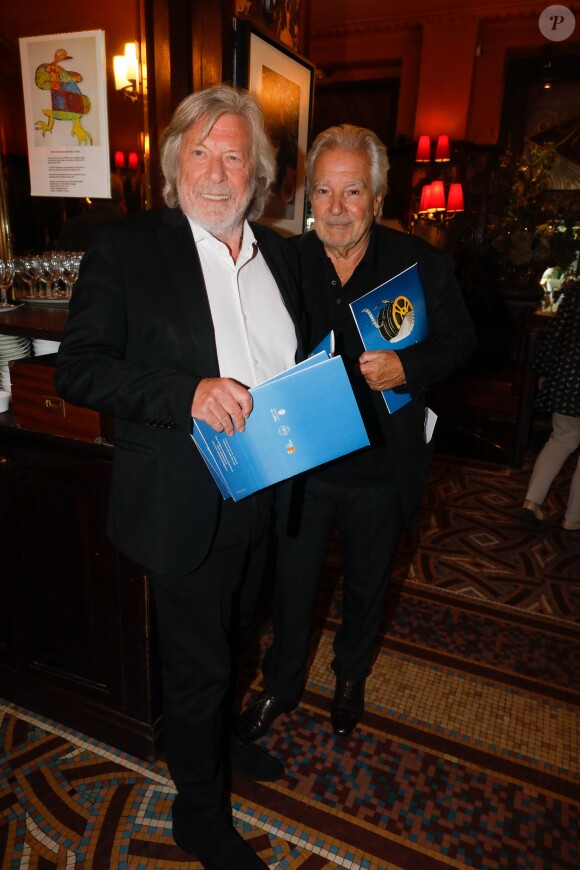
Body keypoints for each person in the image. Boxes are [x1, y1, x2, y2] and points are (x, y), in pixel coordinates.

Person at [54, 84, 305, 870]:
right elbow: (79, 369)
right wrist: (186, 393)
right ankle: (200, 815)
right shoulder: (127, 248)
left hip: (265, 489)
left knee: (239, 635)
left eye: (235, 155)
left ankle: (221, 742)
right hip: (181, 499)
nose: (218, 170)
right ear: (174, 164)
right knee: (198, 666)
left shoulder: (280, 257)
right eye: (201, 151)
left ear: (257, 173)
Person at [237, 124, 477, 744]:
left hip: (379, 466)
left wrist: (409, 365)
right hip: (305, 466)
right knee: (291, 586)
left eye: (352, 193)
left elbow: (462, 342)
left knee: (369, 583)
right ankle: (281, 685)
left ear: (376, 198)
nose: (336, 209)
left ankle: (350, 677)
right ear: (308, 199)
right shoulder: (282, 263)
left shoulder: (420, 265)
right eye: (323, 192)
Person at [521, 277, 580, 531]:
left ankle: (532, 502)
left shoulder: (577, 292)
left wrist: (544, 370)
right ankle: (574, 518)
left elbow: (556, 332)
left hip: (570, 376)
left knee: (561, 439)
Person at [54, 173, 127, 251]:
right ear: (120, 198)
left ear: (90, 197)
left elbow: (60, 258)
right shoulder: (127, 225)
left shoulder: (72, 226)